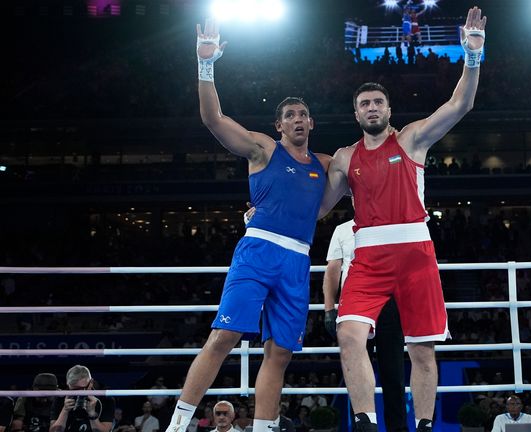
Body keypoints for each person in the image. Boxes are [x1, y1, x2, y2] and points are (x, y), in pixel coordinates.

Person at [317, 7, 487, 432]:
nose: (371, 108)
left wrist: (472, 54)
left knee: (422, 349)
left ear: (388, 109)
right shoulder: (343, 158)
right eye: (364, 104)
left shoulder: (412, 139)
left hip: (415, 252)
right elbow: (317, 209)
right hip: (368, 255)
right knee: (348, 335)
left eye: (377, 102)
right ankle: (366, 421)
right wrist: (265, 207)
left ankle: (425, 425)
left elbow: (460, 104)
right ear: (356, 114)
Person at [164, 19, 330, 432]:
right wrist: (206, 65)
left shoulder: (328, 165)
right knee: (224, 337)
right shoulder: (263, 149)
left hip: (297, 260)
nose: (296, 119)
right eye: (289, 114)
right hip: (257, 252)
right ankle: (179, 424)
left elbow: (362, 163)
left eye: (303, 115)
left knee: (280, 353)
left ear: (311, 124)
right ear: (279, 125)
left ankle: (263, 428)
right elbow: (213, 119)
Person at [322, 216, 408, 432]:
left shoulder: (390, 221)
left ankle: (398, 428)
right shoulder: (342, 229)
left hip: (389, 301)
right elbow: (333, 267)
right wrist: (329, 308)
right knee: (356, 373)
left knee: (394, 371)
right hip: (354, 304)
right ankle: (363, 428)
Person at [49, 365, 115, 432]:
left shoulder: (105, 397)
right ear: (68, 384)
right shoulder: (61, 397)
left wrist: (92, 414)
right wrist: (65, 411)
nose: (78, 393)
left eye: (82, 389)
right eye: (74, 389)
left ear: (91, 383)